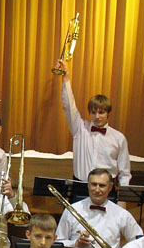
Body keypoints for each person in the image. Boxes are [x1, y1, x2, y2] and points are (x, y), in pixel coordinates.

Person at [55, 58, 131, 187]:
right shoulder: (80, 129)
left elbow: (125, 172)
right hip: (80, 187)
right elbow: (69, 105)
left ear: (108, 113)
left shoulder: (119, 138)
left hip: (106, 189)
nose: (97, 116)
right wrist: (66, 77)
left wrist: (123, 194)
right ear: (89, 113)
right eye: (93, 112)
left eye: (101, 112)